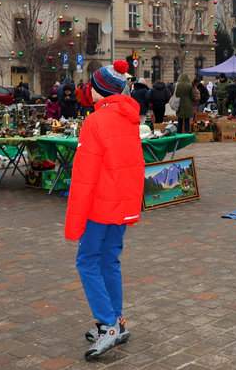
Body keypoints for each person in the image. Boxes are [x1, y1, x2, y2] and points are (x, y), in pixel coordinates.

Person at [64, 60, 143, 360]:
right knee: (110, 259)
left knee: (87, 262)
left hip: (100, 206)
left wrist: (75, 219)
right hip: (120, 205)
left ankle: (107, 324)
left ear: (98, 90)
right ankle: (117, 319)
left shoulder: (95, 122)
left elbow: (85, 177)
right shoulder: (129, 117)